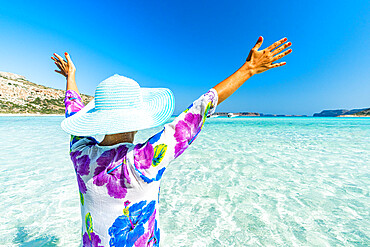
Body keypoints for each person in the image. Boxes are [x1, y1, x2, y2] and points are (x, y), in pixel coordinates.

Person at [52, 36, 292, 247]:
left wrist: (70, 78)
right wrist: (248, 69)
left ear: (97, 119)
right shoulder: (142, 161)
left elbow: (73, 112)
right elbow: (198, 112)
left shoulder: (80, 155)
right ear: (138, 118)